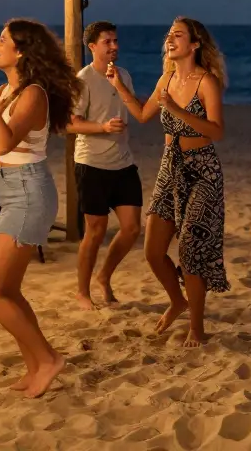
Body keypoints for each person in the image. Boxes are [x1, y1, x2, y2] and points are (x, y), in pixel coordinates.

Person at [0, 19, 81, 398]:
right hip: (13, 191)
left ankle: (48, 359)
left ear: (22, 51)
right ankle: (36, 366)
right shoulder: (6, 91)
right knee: (9, 291)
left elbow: (2, 143)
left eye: (3, 39)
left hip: (29, 193)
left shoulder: (33, 95)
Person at [111, 17, 227, 348]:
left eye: (178, 35)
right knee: (152, 251)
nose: (170, 39)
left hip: (202, 171)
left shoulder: (208, 82)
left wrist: (177, 110)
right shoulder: (168, 77)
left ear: (194, 44)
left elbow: (217, 130)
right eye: (169, 35)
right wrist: (119, 87)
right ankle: (178, 300)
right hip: (169, 168)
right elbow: (144, 114)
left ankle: (197, 327)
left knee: (191, 250)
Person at [66, 21, 143, 310]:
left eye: (116, 41)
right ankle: (82, 292)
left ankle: (104, 276)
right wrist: (102, 127)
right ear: (92, 47)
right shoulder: (83, 80)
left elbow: (132, 106)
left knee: (132, 228)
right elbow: (68, 124)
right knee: (95, 232)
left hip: (123, 163)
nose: (114, 46)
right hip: (92, 164)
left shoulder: (122, 75)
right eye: (108, 42)